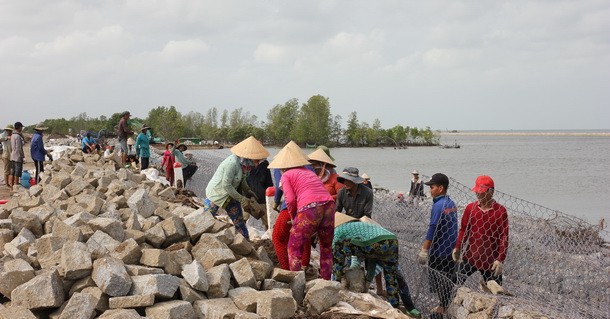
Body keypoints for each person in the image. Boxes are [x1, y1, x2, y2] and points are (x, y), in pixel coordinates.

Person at [268, 141, 335, 280]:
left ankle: (297, 283)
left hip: (310, 207)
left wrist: (294, 218)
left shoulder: (286, 175)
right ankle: (326, 282)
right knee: (326, 246)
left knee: (294, 246)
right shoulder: (308, 171)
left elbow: (290, 200)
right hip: (328, 204)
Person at [333, 213, 420, 317]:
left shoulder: (337, 234)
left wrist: (334, 286)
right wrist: (368, 281)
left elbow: (338, 265)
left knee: (340, 259)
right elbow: (371, 259)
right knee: (391, 277)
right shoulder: (360, 227)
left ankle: (334, 289)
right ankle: (395, 309)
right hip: (391, 241)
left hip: (374, 244)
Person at [204, 136, 269, 240]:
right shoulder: (232, 163)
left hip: (231, 195)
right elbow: (226, 185)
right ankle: (201, 238)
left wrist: (248, 191)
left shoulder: (244, 164)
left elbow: (242, 179)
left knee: (239, 222)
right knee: (206, 219)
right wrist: (241, 199)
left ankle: (246, 244)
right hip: (217, 194)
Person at [453, 175, 509, 286]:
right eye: (477, 191)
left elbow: (504, 237)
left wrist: (500, 259)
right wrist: (458, 247)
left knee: (496, 290)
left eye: (482, 191)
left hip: (491, 261)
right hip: (471, 256)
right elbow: (464, 230)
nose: (478, 194)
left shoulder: (500, 211)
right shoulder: (471, 208)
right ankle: (446, 303)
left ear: (491, 192)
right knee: (454, 280)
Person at [418, 173, 458, 318]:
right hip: (450, 249)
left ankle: (442, 308)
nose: (430, 190)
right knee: (447, 280)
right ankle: (444, 306)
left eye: (432, 187)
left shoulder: (438, 205)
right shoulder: (450, 203)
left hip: (439, 251)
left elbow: (432, 228)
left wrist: (424, 249)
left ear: (441, 188)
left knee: (440, 280)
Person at [271, 142, 314, 272]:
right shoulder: (309, 168)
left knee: (278, 237)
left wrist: (276, 201)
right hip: (312, 206)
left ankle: (286, 270)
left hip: (293, 206)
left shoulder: (282, 168)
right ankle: (304, 266)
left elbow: (283, 191)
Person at [245, 157, 273, 229]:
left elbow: (269, 183)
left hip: (261, 196)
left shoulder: (264, 164)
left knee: (267, 220)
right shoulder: (246, 163)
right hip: (248, 195)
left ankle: (269, 234)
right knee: (243, 218)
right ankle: (241, 235)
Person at [10, 122, 25, 191]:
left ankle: (12, 186)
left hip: (12, 155)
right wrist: (23, 156)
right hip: (18, 156)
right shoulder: (18, 136)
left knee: (12, 172)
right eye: (21, 127)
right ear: (19, 127)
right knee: (17, 172)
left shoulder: (12, 135)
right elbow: (19, 148)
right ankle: (16, 187)